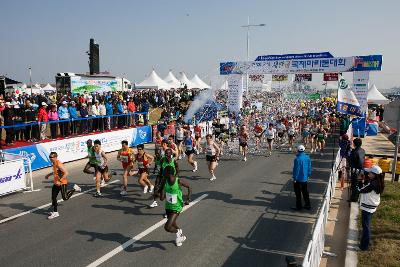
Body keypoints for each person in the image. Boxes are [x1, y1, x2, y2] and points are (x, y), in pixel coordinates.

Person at [159, 165, 192, 247]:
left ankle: (178, 233)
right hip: (168, 206)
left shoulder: (178, 181)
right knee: (173, 223)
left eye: (164, 172)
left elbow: (189, 187)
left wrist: (188, 198)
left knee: (167, 227)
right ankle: (179, 235)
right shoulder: (164, 181)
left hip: (177, 206)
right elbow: (162, 198)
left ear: (168, 173)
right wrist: (160, 191)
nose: (163, 174)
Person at [45, 152, 81, 219]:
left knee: (65, 198)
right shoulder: (54, 163)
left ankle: (74, 189)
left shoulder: (59, 164)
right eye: (50, 157)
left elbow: (66, 173)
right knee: (53, 197)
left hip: (62, 183)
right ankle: (55, 212)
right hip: (56, 183)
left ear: (55, 157)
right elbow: (55, 172)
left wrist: (60, 180)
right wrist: (48, 175)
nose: (50, 158)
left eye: (52, 157)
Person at [357, 165, 385, 251]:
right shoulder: (379, 181)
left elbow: (359, 189)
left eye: (370, 172)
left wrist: (359, 180)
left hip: (368, 207)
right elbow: (368, 183)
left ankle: (364, 246)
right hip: (373, 205)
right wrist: (365, 177)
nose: (368, 173)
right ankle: (366, 242)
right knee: (367, 225)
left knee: (366, 227)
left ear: (374, 174)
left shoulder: (372, 184)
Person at [292, 145, 311, 211]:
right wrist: (308, 175)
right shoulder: (307, 157)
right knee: (305, 192)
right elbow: (309, 167)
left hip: (298, 179)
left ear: (298, 150)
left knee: (298, 193)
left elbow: (296, 170)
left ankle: (299, 206)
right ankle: (307, 205)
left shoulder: (297, 159)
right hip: (305, 178)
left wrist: (295, 178)